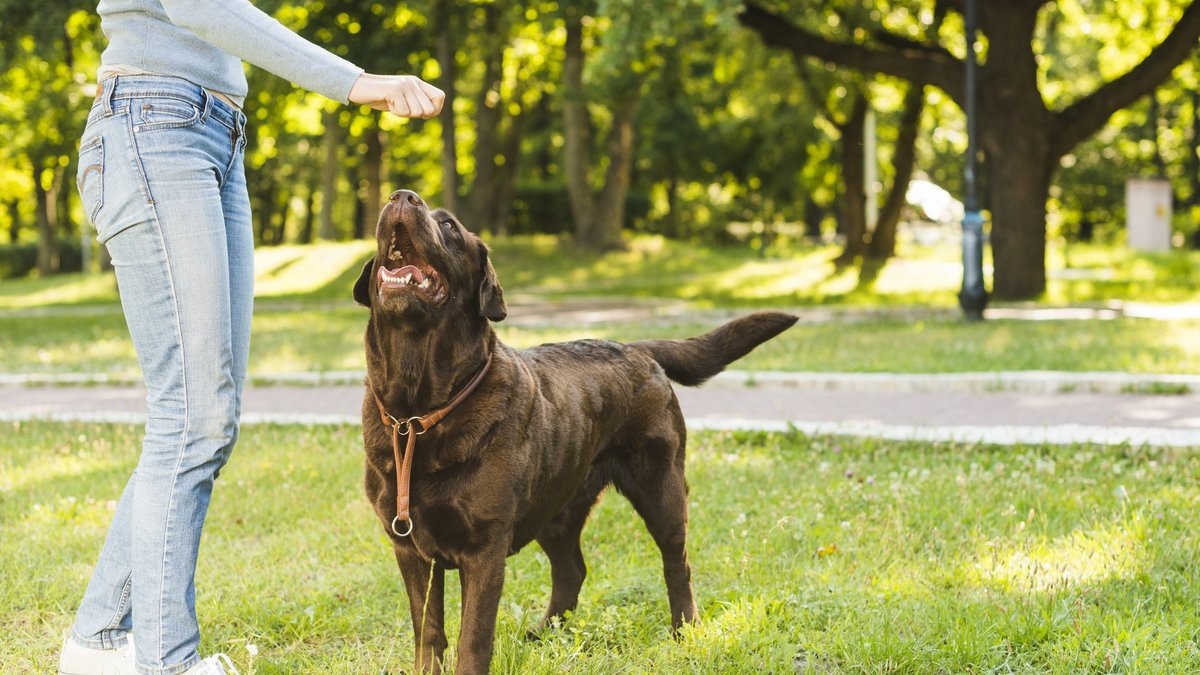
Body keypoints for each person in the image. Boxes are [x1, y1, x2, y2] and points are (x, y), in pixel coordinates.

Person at [60, 2, 444, 674]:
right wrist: (354, 81)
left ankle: (97, 639)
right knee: (190, 418)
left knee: (203, 418)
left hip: (211, 131)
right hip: (153, 123)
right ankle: (166, 663)